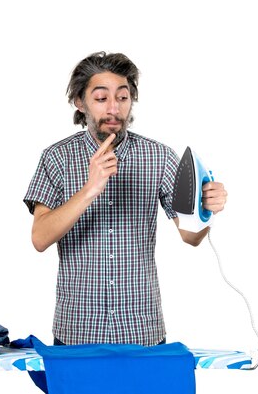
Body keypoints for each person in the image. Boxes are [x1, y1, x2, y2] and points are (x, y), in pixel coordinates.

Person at [23, 51, 227, 347]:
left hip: (142, 331)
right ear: (80, 103)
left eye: (123, 97)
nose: (114, 108)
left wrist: (206, 211)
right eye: (101, 98)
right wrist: (90, 189)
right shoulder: (56, 158)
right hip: (77, 331)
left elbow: (190, 236)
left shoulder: (159, 156)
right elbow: (40, 238)